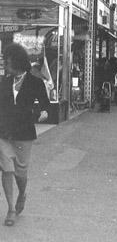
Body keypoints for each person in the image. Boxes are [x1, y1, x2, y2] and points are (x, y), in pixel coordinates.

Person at [0, 43, 50, 226]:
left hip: (24, 132)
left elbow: (45, 103)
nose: (5, 64)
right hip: (4, 132)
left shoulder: (34, 82)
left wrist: (44, 112)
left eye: (7, 60)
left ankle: (22, 193)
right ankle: (11, 209)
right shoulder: (3, 82)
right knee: (7, 170)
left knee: (20, 172)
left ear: (17, 61)